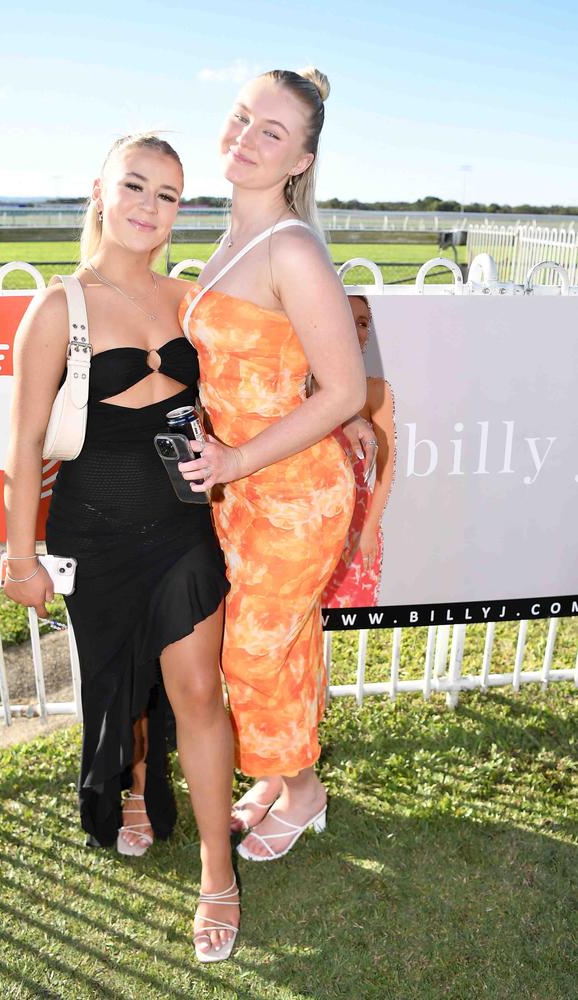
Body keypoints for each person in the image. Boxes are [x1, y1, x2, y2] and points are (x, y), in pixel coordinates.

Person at [3, 133, 238, 962]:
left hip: (181, 528)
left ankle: (219, 874)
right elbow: (27, 439)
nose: (149, 205)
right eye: (135, 186)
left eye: (168, 194)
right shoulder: (57, 306)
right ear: (100, 192)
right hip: (92, 533)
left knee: (199, 688)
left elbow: (240, 397)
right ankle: (134, 786)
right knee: (122, 690)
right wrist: (18, 554)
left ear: (180, 210)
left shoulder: (192, 301)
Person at [179, 68, 370, 861]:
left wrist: (235, 457)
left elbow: (344, 389)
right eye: (241, 117)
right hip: (242, 490)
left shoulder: (290, 247)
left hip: (293, 493)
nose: (245, 138)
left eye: (272, 132)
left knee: (252, 650)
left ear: (299, 161)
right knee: (280, 644)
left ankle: (303, 791)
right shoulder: (230, 238)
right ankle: (280, 774)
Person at [323, 294, 396, 607]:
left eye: (363, 323)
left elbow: (387, 462)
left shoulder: (377, 391)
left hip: (355, 525)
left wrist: (368, 529)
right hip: (305, 523)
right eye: (345, 320)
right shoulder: (299, 382)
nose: (355, 330)